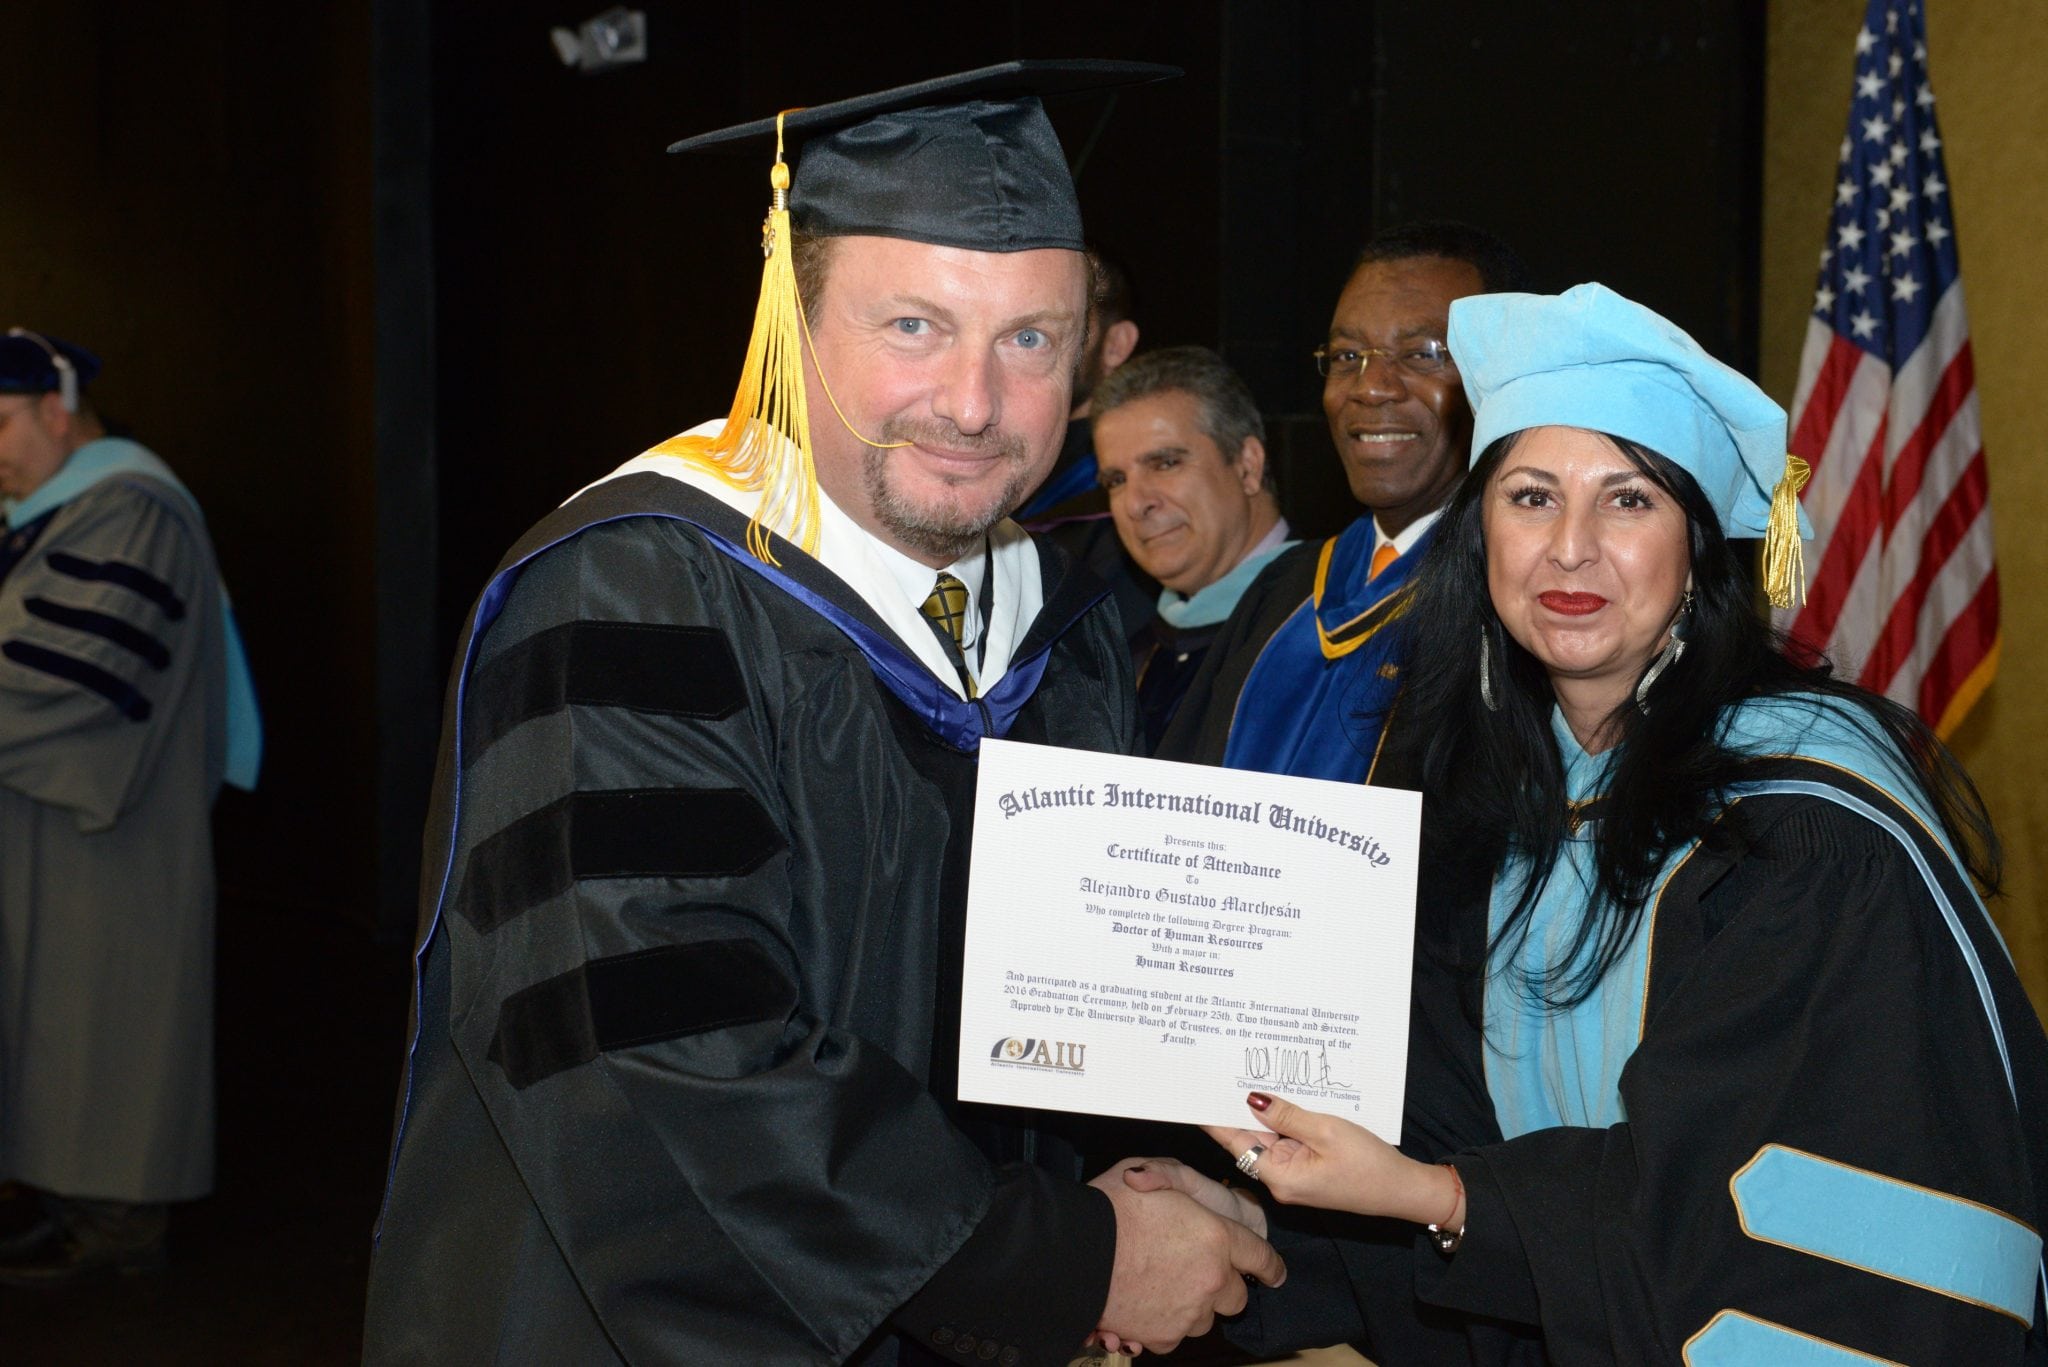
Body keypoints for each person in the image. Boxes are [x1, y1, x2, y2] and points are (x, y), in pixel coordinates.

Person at [362, 63, 1283, 1366]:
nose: (973, 401)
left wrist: (1119, 1192)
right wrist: (1059, 1260)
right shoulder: (638, 592)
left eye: (1030, 338)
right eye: (913, 324)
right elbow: (655, 1049)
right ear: (790, 327)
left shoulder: (1055, 621)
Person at [1140, 284, 2048, 1362]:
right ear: (1478, 536)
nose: (1569, 548)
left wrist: (1440, 1198)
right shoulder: (1494, 799)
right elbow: (1441, 1135)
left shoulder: (1804, 833)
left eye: (1627, 501)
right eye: (1530, 497)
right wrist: (1250, 1226)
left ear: (1696, 546)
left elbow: (1750, 1219)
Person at [0, 328, 261, 1285]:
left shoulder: (132, 508)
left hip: (111, 824)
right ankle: (63, 1201)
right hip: (50, 811)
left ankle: (117, 1229)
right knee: (55, 1021)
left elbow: (62, 668)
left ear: (57, 409)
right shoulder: (51, 508)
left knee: (107, 1022)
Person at [1156, 221, 1527, 782]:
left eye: (1422, 354)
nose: (1370, 387)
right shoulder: (1283, 589)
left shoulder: (1514, 613)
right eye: (1348, 355)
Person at [1089, 346, 1295, 751]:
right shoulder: (1121, 657)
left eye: (1165, 463)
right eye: (1116, 481)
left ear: (1248, 465)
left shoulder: (1332, 626)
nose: (1135, 504)